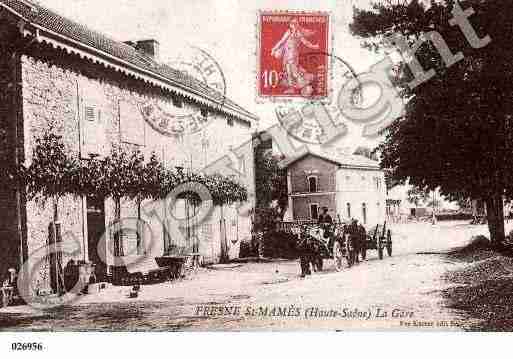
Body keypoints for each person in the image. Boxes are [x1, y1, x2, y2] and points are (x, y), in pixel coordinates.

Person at [271, 18, 319, 95]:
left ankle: (306, 86)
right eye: (293, 23)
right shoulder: (288, 32)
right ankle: (292, 89)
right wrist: (274, 49)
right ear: (290, 24)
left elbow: (306, 42)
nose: (294, 25)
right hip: (287, 55)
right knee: (289, 72)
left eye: (296, 23)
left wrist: (314, 46)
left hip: (293, 55)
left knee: (294, 72)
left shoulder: (298, 33)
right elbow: (281, 41)